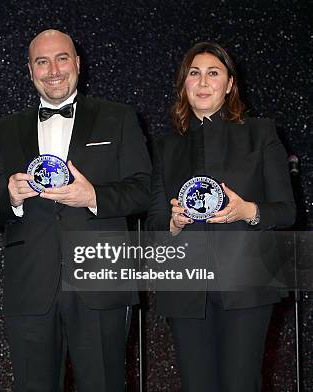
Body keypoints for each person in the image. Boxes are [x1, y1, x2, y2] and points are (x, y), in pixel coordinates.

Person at [0, 29, 151, 391]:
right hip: (31, 287)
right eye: (42, 61)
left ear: (78, 64)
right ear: (30, 70)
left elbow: (144, 191)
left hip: (101, 280)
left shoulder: (118, 117)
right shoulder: (3, 130)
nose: (53, 69)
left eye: (61, 58)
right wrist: (10, 197)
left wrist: (93, 196)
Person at [146, 42, 296, 391]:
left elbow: (287, 211)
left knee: (241, 383)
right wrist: (173, 222)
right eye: (193, 74)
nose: (202, 82)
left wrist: (247, 211)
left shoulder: (261, 133)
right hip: (185, 286)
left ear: (229, 84)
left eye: (213, 73)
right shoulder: (167, 146)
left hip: (247, 285)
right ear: (184, 84)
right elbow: (154, 219)